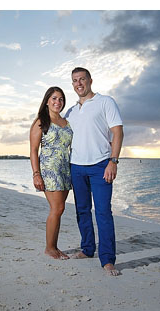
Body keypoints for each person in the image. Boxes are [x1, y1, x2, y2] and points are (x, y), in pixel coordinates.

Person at [64, 67, 124, 276]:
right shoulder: (70, 111)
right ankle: (88, 249)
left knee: (103, 212)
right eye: (74, 81)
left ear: (90, 80)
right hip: (76, 167)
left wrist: (113, 161)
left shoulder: (105, 102)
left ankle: (107, 259)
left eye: (82, 79)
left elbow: (117, 132)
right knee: (82, 211)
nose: (78, 83)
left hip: (101, 165)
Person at [30, 86, 73, 260]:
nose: (58, 102)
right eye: (54, 98)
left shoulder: (67, 122)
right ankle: (50, 248)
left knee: (59, 210)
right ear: (47, 100)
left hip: (65, 169)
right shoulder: (41, 121)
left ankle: (54, 245)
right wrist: (36, 174)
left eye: (61, 99)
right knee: (57, 208)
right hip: (49, 170)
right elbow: (33, 150)